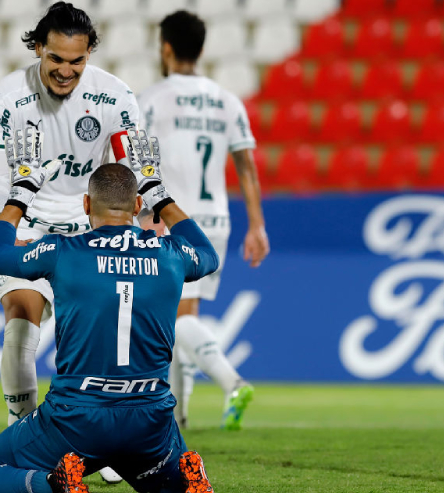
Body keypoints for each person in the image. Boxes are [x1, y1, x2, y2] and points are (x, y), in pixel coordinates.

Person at [0, 127, 217, 493]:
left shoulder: (63, 252)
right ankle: (182, 482)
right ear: (137, 207)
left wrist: (20, 193)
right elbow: (207, 255)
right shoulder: (171, 255)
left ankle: (55, 483)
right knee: (165, 474)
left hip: (76, 420)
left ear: (86, 205)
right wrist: (158, 193)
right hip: (149, 422)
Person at [0, 1, 140, 428]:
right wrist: (1, 218)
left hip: (90, 224)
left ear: (90, 54)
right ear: (37, 48)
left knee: (99, 339)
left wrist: (143, 217)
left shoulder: (116, 96)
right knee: (19, 326)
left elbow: (130, 171)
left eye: (77, 61)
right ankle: (23, 432)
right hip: (28, 221)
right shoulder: (6, 97)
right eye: (56, 58)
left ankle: (101, 439)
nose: (66, 70)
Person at [137, 10, 270, 430]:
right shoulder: (226, 100)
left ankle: (231, 382)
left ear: (166, 48)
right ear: (201, 49)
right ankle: (180, 415)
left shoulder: (152, 98)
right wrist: (257, 225)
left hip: (172, 218)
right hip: (217, 220)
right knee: (183, 315)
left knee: (174, 319)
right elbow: (246, 166)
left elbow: (137, 162)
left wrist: (143, 214)